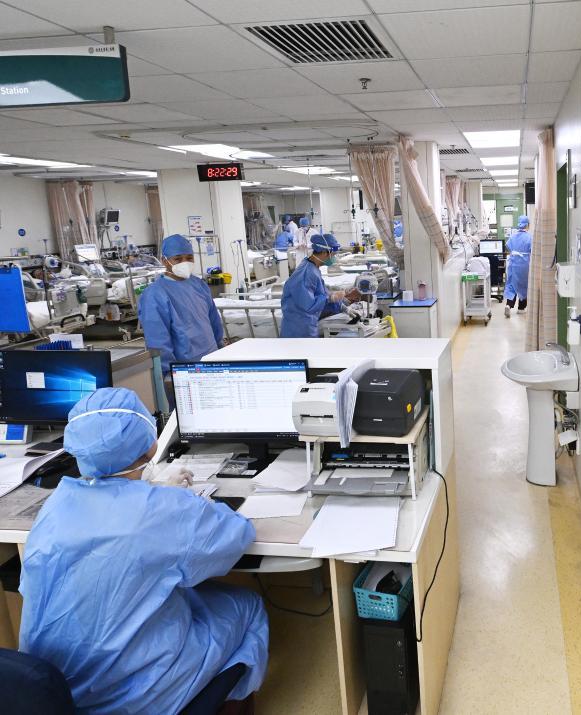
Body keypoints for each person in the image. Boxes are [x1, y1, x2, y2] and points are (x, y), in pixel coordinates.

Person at [19, 388, 268, 714]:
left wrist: (149, 491)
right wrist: (186, 502)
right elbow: (237, 536)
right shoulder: (165, 510)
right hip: (131, 697)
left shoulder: (56, 504)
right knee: (247, 604)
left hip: (52, 691)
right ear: (150, 445)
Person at [138, 234, 224, 376]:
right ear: (165, 261)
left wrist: (221, 351)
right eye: (178, 259)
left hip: (212, 358)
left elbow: (214, 322)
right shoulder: (155, 295)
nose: (185, 263)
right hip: (184, 369)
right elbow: (158, 341)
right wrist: (168, 373)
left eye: (189, 258)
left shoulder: (199, 285)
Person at [280, 233, 359, 338]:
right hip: (298, 330)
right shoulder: (306, 274)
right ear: (324, 252)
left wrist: (343, 307)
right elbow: (309, 305)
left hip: (307, 325)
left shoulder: (313, 268)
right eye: (333, 255)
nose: (333, 258)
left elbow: (321, 293)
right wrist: (331, 297)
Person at [504, 215, 532, 318]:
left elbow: (508, 248)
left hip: (513, 263)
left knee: (512, 284)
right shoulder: (530, 237)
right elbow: (532, 251)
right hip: (524, 264)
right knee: (524, 285)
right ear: (527, 225)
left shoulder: (513, 236)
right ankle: (521, 308)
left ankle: (508, 305)